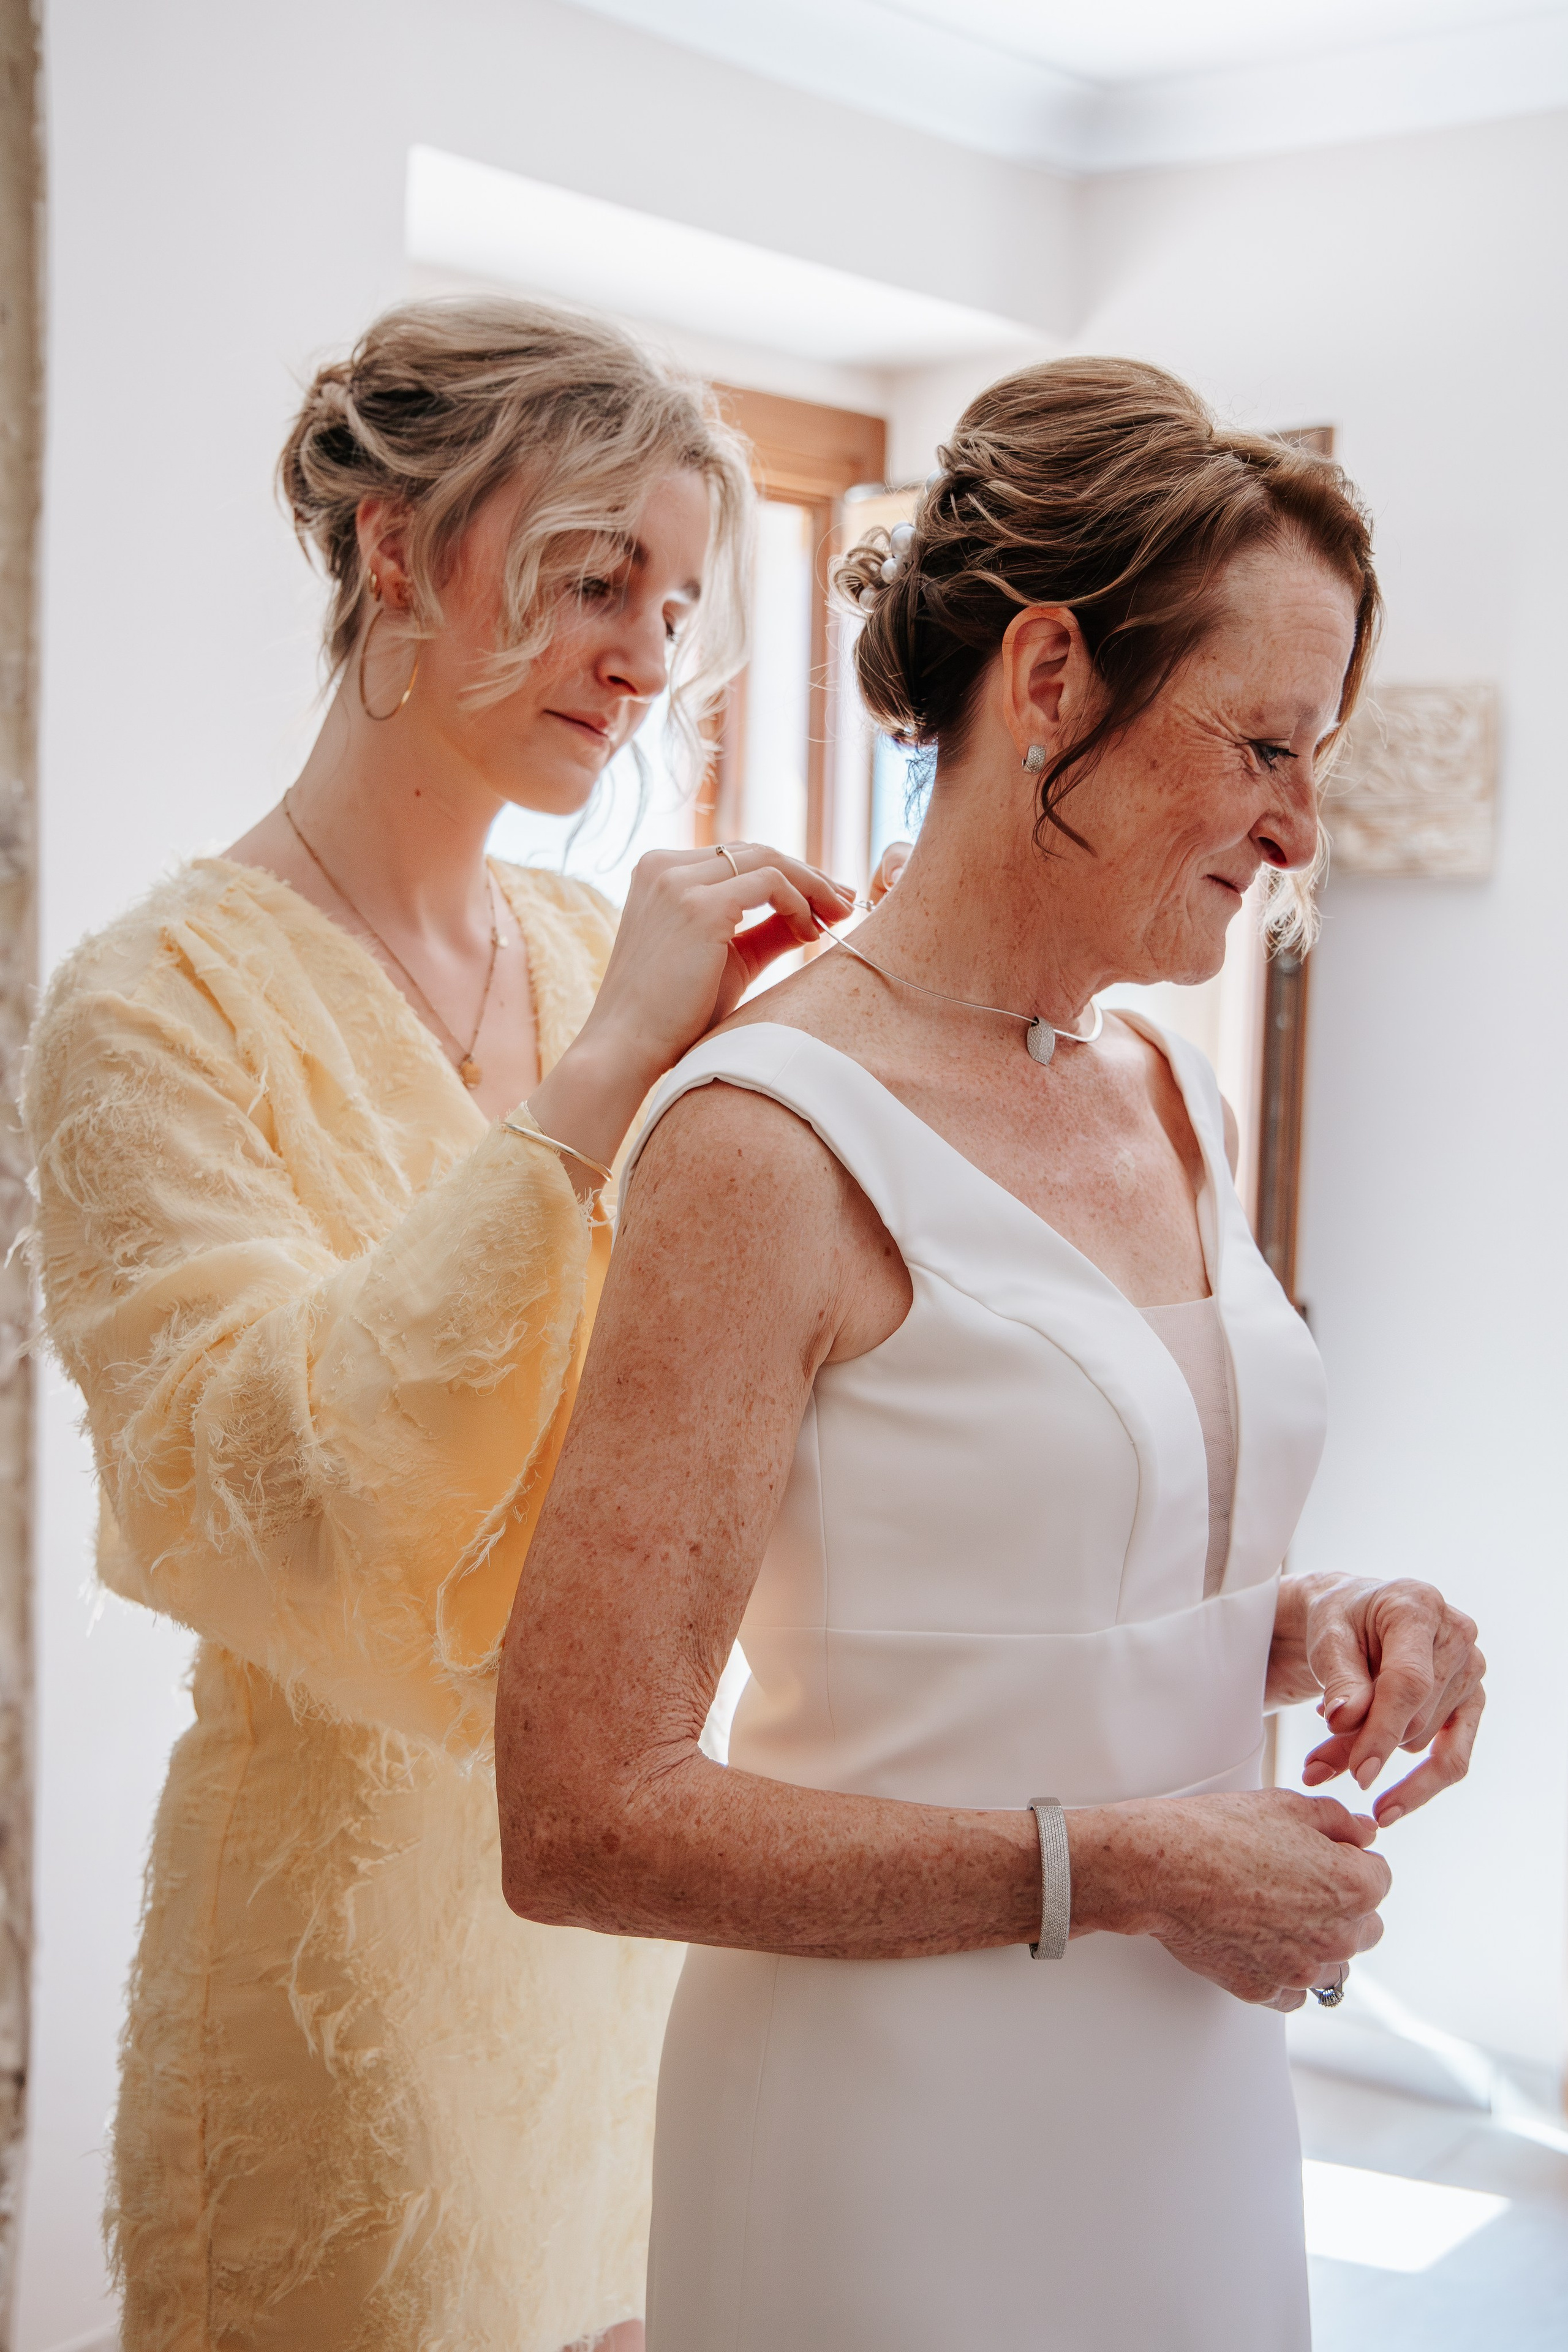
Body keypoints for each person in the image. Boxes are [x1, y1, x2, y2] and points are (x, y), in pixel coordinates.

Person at [495, 356, 1487, 2350]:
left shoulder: (1162, 1089)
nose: (1300, 827)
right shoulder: (765, 1142)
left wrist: (1327, 1615)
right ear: (1049, 683)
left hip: (1192, 2105)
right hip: (888, 2148)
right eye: (1266, 745)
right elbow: (580, 1812)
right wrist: (1128, 1873)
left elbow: (1066, 1578)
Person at [22, 298, 858, 2352]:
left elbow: (748, 1409)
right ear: (398, 554)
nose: (650, 657)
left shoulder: (597, 945)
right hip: (338, 1977)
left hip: (620, 1924)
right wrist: (598, 1094)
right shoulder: (151, 1011)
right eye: (595, 579)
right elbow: (276, 1499)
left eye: (674, 602)